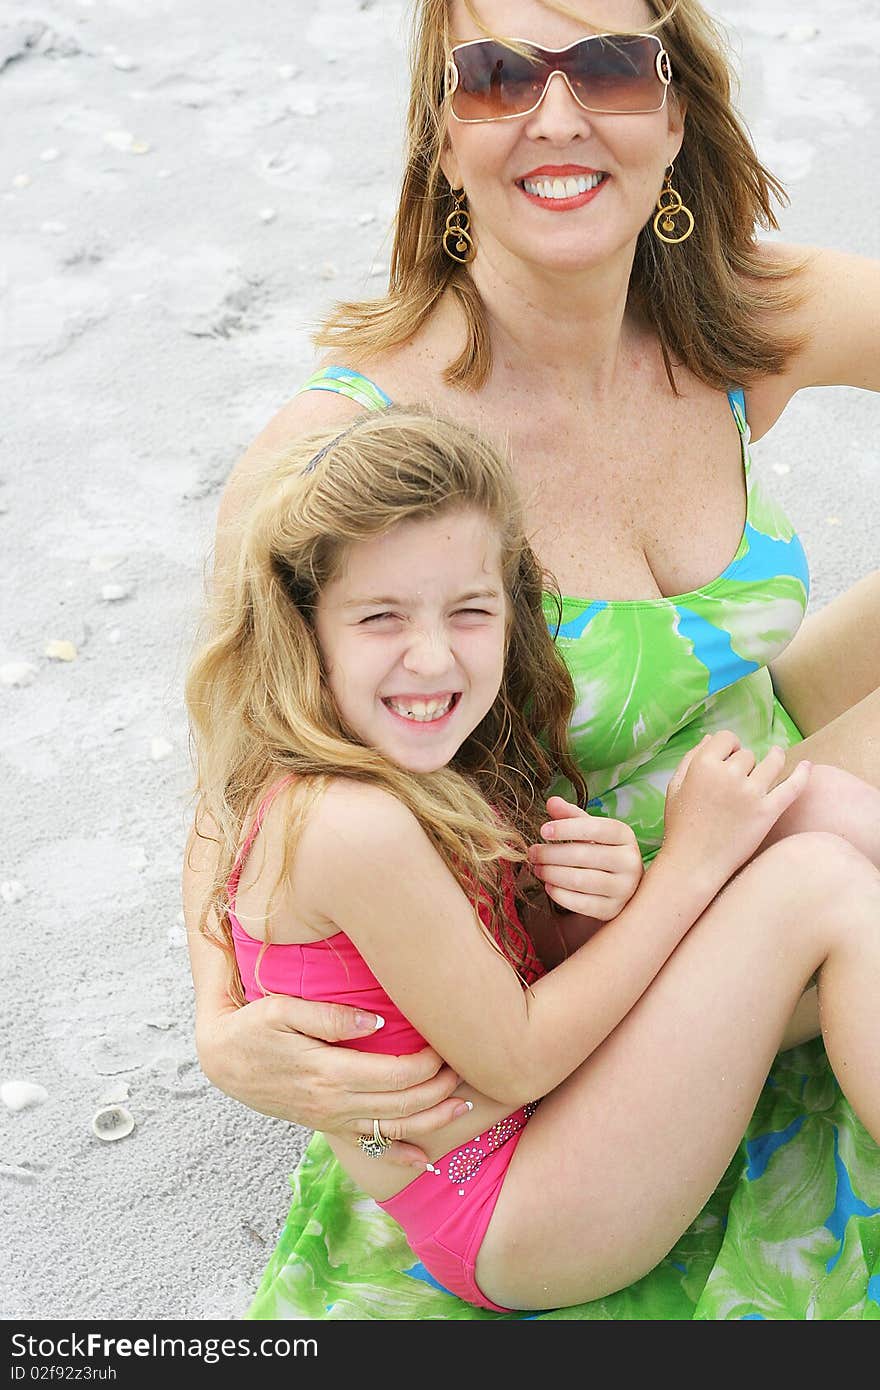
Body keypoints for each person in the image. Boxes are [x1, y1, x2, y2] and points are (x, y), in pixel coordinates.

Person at [181, 0, 880, 1317]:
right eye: (499, 79)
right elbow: (239, 787)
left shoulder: (735, 318)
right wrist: (223, 1025)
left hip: (744, 769)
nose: (558, 118)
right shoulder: (356, 460)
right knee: (834, 880)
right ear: (443, 140)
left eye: (609, 68)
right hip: (561, 955)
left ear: (673, 116)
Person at [184, 407, 880, 1313]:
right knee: (815, 885)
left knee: (817, 807)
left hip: (530, 1108)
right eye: (380, 615)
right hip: (511, 1205)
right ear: (303, 623)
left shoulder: (412, 757)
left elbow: (508, 971)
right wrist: (687, 868)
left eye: (469, 611)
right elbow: (516, 1060)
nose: (431, 656)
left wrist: (591, 901)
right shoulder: (347, 824)